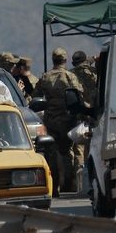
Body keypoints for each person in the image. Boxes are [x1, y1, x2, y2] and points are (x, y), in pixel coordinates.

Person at [33, 47, 83, 195]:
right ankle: (68, 185)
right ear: (65, 60)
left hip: (51, 121)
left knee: (51, 153)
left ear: (53, 60)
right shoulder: (70, 76)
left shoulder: (45, 77)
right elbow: (79, 95)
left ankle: (53, 187)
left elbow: (36, 96)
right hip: (68, 120)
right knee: (67, 152)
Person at [71, 50, 98, 181]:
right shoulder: (94, 73)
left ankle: (81, 180)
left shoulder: (71, 74)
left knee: (79, 149)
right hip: (94, 113)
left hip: (79, 113)